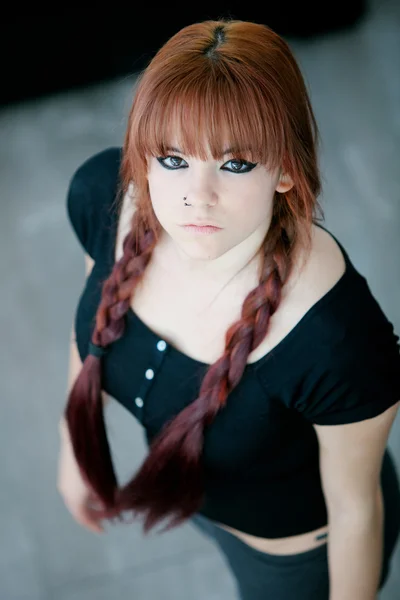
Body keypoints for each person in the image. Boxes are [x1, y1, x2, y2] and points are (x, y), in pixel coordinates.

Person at [58, 19, 400, 599]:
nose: (197, 194)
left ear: (287, 169)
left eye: (235, 164)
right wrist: (72, 452)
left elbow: (354, 509)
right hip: (194, 500)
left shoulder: (339, 342)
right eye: (171, 158)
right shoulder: (104, 198)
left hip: (289, 556)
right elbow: (91, 318)